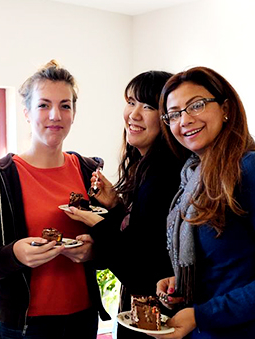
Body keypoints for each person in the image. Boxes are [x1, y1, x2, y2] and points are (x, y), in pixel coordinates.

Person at [153, 66, 255, 339]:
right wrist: (185, 285)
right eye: (174, 114)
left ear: (226, 109)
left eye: (196, 105)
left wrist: (203, 314)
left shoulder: (253, 169)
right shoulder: (192, 177)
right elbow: (229, 267)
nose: (184, 120)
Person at [0, 60, 110, 339]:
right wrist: (15, 255)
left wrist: (92, 252)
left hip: (82, 320)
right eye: (43, 105)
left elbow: (110, 243)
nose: (55, 115)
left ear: (74, 113)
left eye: (65, 105)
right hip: (22, 327)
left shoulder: (88, 172)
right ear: (26, 112)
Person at [64, 71, 189, 338]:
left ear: (167, 117)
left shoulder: (163, 175)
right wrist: (116, 206)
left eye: (148, 106)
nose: (134, 114)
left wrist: (97, 223)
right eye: (131, 102)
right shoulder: (146, 169)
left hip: (155, 320)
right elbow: (143, 237)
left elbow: (139, 270)